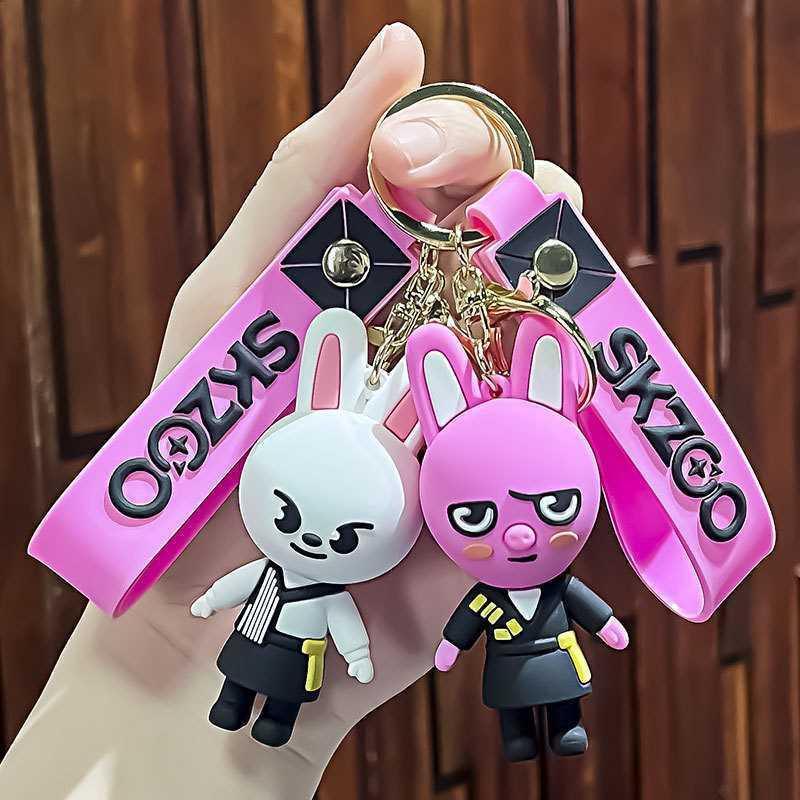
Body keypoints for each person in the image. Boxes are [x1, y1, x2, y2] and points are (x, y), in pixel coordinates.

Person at [0, 22, 582, 799]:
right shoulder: (294, 485)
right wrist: (155, 659)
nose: (314, 537)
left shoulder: (419, 498)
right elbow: (223, 598)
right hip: (247, 641)